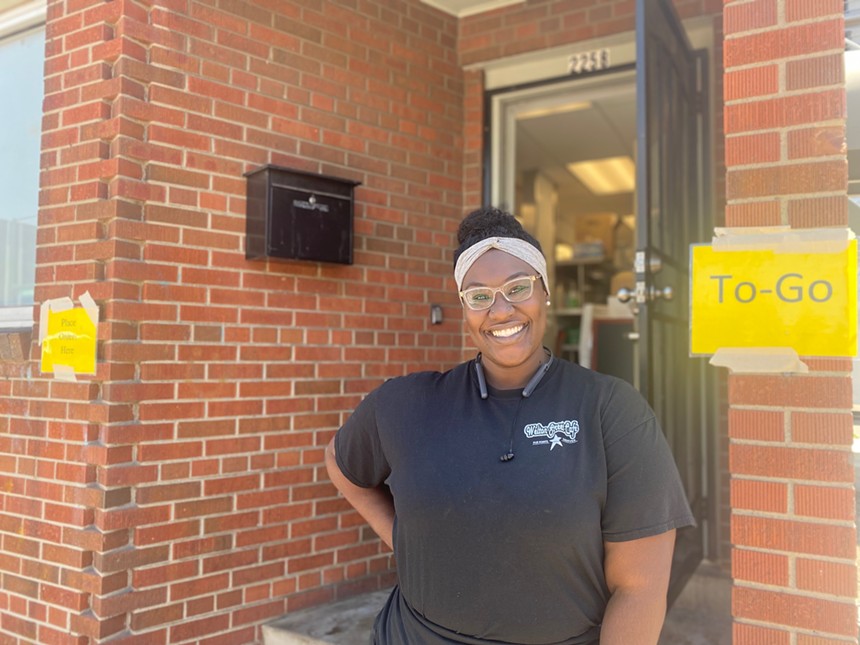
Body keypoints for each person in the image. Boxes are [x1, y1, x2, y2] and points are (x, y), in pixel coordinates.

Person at [325, 206, 695, 645]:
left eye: (518, 288)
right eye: (479, 296)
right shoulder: (406, 404)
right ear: (464, 308)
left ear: (545, 293)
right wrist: (405, 542)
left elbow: (639, 589)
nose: (500, 311)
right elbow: (341, 464)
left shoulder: (610, 410)